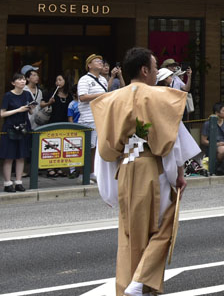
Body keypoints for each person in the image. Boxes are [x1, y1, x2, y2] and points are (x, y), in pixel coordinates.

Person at [92, 46, 201, 296]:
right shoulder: (160, 97)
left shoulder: (110, 101)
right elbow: (173, 140)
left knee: (129, 235)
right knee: (164, 225)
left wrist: (107, 186)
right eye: (154, 68)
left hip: (124, 168)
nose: (155, 73)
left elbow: (104, 149)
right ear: (144, 70)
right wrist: (179, 175)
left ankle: (129, 287)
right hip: (152, 167)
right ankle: (142, 281)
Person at [0, 71, 34, 193]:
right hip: (10, 127)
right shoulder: (8, 95)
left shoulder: (27, 95)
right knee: (9, 156)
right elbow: (2, 113)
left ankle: (19, 182)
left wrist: (30, 108)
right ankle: (7, 183)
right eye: (19, 79)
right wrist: (18, 110)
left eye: (24, 79)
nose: (22, 81)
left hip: (24, 126)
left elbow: (31, 112)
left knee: (21, 156)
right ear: (13, 83)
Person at [45, 74, 74, 178]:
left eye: (60, 80)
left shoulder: (69, 95)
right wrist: (49, 102)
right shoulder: (52, 93)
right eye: (57, 80)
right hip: (53, 122)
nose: (58, 82)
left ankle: (59, 167)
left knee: (62, 145)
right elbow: (41, 104)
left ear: (65, 81)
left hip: (65, 122)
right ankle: (50, 168)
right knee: (52, 145)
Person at [78, 54, 108, 150]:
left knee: (99, 148)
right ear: (89, 66)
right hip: (89, 119)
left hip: (101, 117)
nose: (100, 62)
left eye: (101, 61)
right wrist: (101, 95)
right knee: (89, 148)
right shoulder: (84, 79)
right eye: (96, 61)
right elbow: (82, 97)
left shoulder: (103, 80)